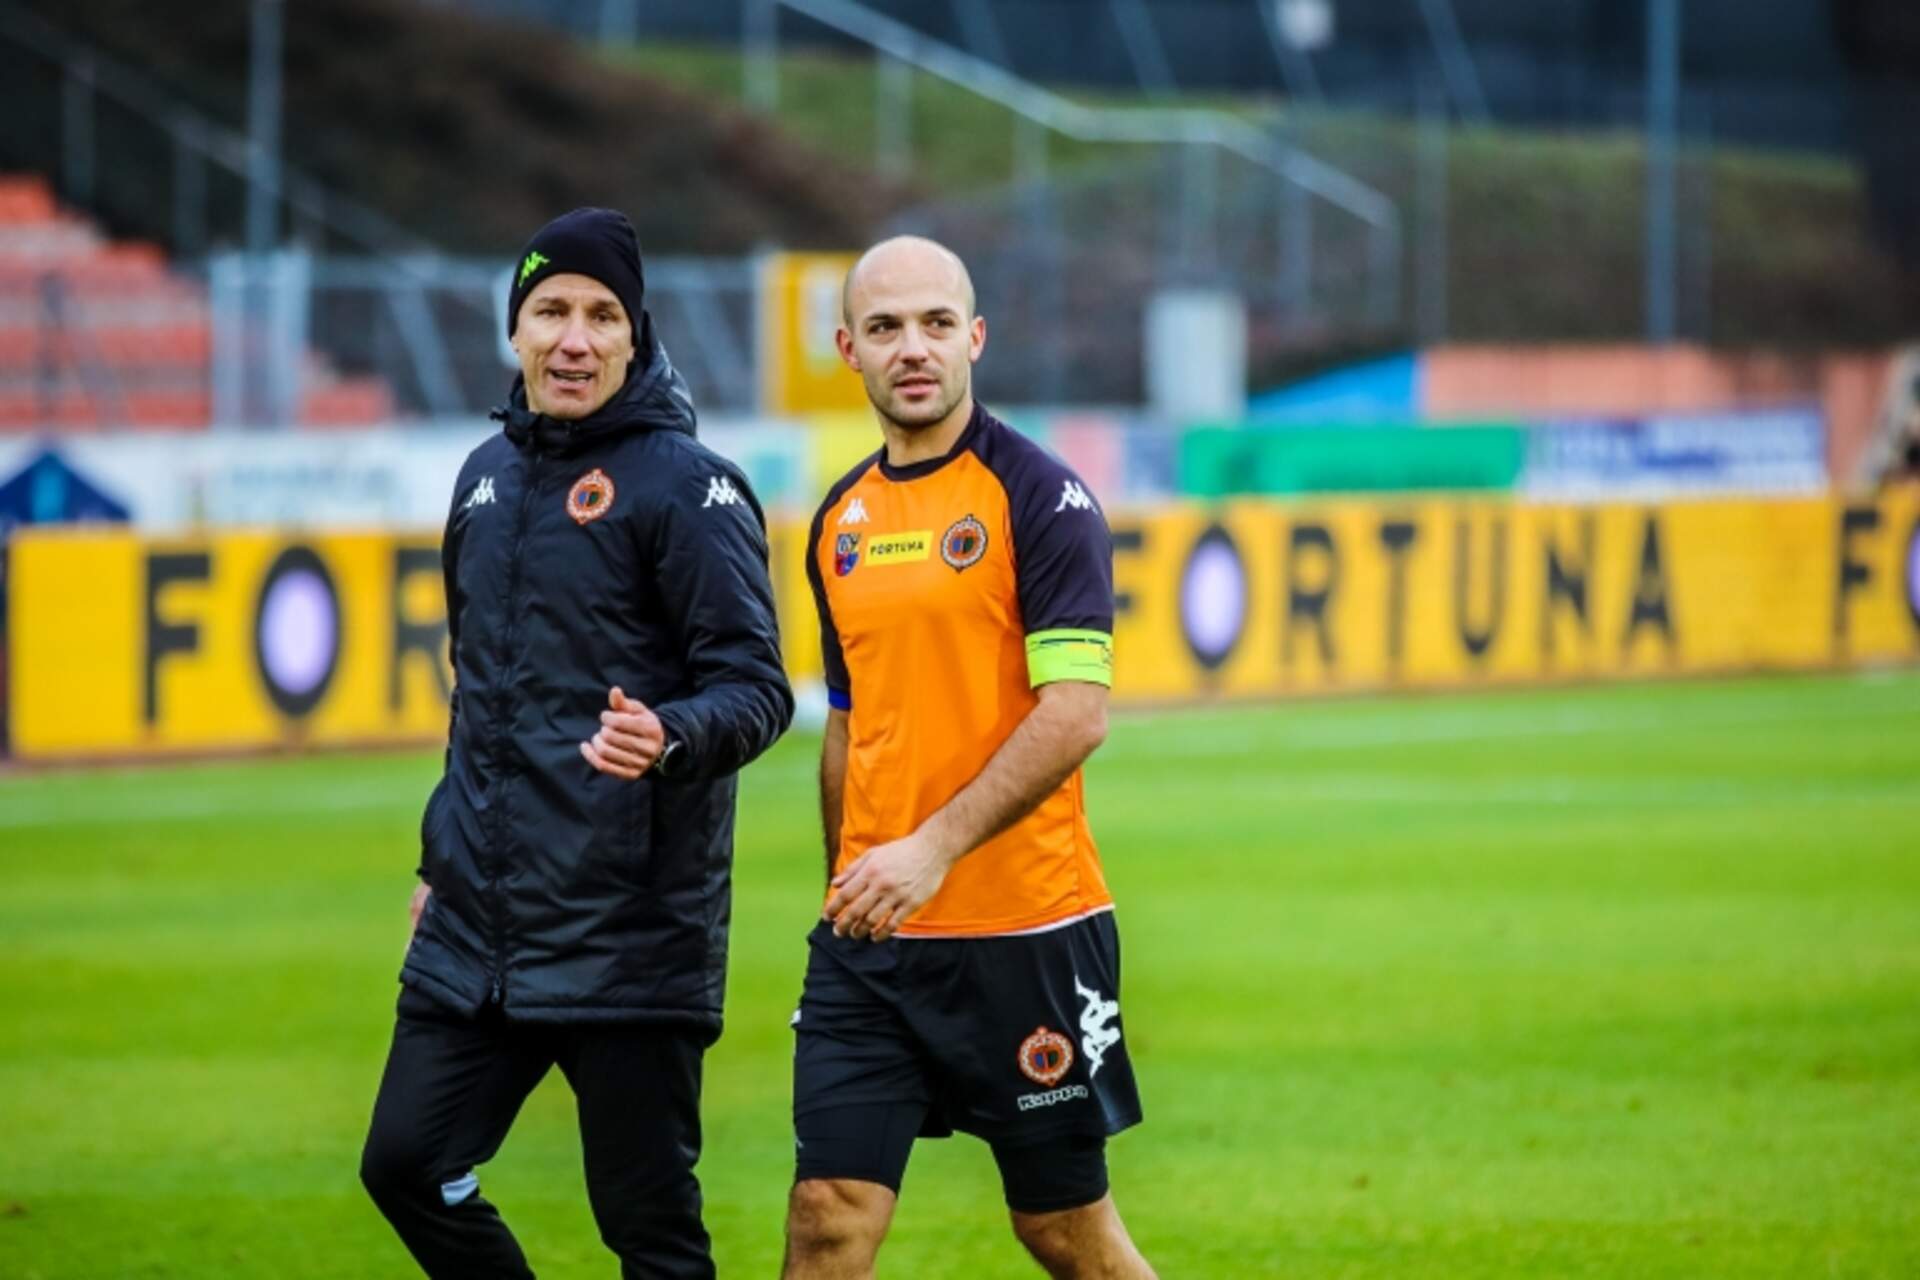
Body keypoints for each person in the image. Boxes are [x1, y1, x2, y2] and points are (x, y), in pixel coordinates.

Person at [359, 206, 794, 1279]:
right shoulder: (483, 477)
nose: (574, 338)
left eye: (603, 315)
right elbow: (480, 701)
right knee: (405, 1164)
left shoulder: (689, 486)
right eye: (551, 310)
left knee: (648, 1233)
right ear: (515, 328)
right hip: (479, 928)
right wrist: (441, 859)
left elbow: (757, 688)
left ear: (636, 337)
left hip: (629, 931)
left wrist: (671, 733)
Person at [783, 236, 1157, 1279]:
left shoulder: (1042, 498)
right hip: (873, 940)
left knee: (1063, 1229)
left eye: (937, 324)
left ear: (975, 339)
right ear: (849, 349)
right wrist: (846, 886)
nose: (914, 348)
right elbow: (850, 726)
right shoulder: (839, 520)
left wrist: (931, 848)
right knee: (826, 1215)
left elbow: (1075, 716)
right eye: (887, 327)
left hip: (1024, 929)